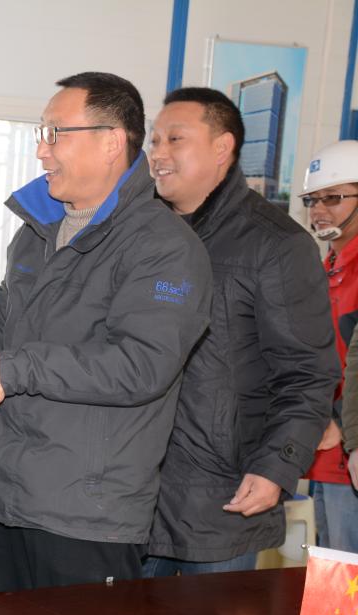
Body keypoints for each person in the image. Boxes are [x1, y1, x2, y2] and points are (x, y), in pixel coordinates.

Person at [0, 72, 212, 591]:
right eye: (40, 134)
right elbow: (4, 326)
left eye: (55, 133)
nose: (42, 150)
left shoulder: (163, 247)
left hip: (88, 517)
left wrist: (10, 370)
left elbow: (141, 365)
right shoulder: (38, 231)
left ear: (111, 141)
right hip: (8, 503)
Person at [143, 88, 337, 576]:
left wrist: (275, 467)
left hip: (222, 497)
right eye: (154, 140)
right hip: (132, 494)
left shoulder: (276, 245)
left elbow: (307, 373)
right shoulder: (140, 233)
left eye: (175, 139)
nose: (158, 153)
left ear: (222, 148)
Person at [301, 140, 358, 552]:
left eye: (334, 198)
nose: (319, 210)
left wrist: (341, 421)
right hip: (324, 455)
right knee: (332, 574)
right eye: (312, 200)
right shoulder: (328, 268)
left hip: (349, 451)